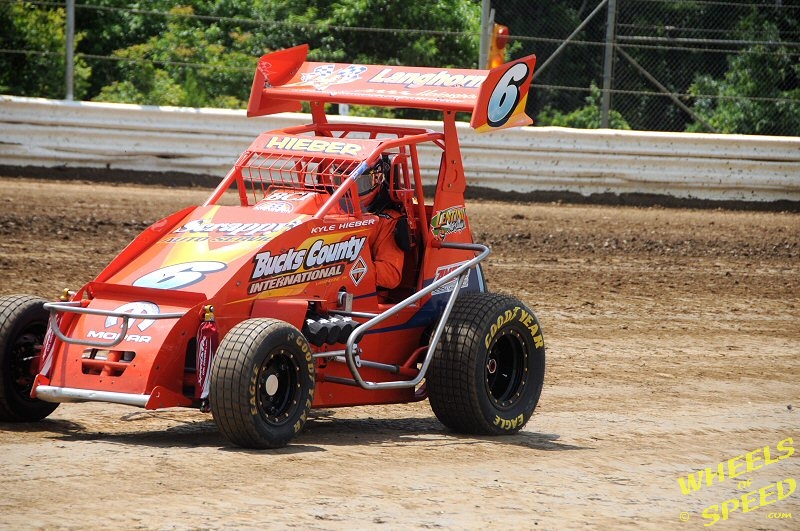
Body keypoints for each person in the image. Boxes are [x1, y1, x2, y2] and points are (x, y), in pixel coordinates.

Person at [345, 157, 406, 290]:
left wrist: (343, 270)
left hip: (365, 298)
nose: (351, 191)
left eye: (360, 184)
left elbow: (391, 275)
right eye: (342, 182)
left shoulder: (388, 220)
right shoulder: (324, 209)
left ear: (377, 180)